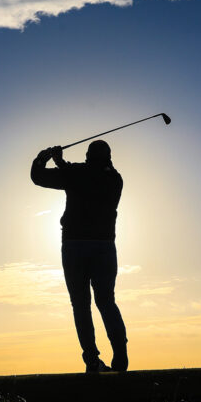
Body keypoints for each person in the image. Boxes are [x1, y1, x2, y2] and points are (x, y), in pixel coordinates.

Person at [31, 140, 127, 374]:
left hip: (74, 246)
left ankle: (92, 360)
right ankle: (120, 355)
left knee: (81, 305)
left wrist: (43, 158)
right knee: (106, 301)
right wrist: (63, 163)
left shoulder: (76, 173)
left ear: (87, 155)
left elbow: (38, 177)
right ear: (109, 157)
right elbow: (91, 176)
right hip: (104, 246)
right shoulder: (115, 179)